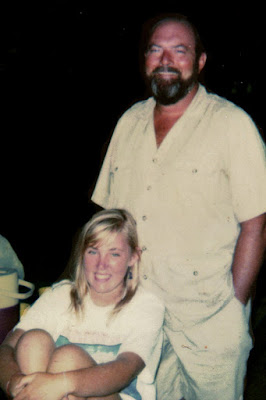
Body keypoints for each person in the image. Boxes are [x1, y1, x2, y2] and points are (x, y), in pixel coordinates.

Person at [91, 13, 266, 400]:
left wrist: (234, 309)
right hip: (137, 311)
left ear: (200, 62)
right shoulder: (129, 122)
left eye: (180, 50)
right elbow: (107, 222)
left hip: (208, 319)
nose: (165, 59)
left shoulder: (232, 126)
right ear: (145, 60)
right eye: (156, 50)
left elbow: (256, 225)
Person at [0, 209, 164, 400]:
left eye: (114, 254)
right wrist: (15, 383)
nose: (101, 265)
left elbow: (126, 368)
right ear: (82, 254)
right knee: (33, 340)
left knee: (67, 358)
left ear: (133, 257)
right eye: (93, 251)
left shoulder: (146, 305)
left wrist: (61, 383)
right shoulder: (60, 296)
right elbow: (6, 348)